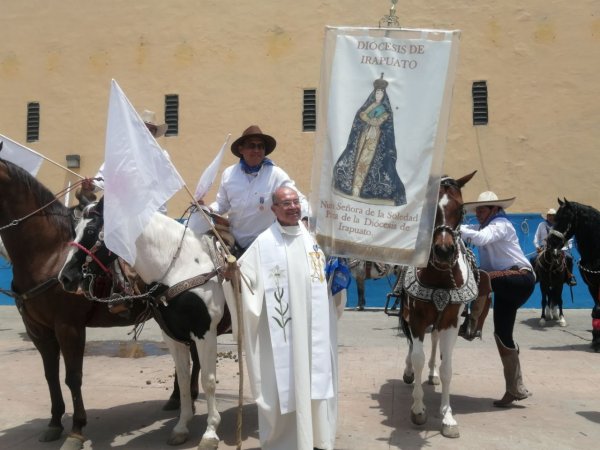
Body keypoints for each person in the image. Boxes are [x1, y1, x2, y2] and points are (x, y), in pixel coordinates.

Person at [236, 186, 344, 450]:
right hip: (285, 336)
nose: (293, 207)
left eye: (296, 202)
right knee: (285, 383)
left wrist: (337, 275)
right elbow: (245, 279)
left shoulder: (314, 240)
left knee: (318, 379)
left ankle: (319, 438)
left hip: (314, 332)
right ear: (274, 209)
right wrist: (233, 272)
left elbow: (323, 281)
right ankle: (284, 442)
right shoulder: (263, 244)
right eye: (286, 203)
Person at [460, 191, 535, 407]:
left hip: (520, 278)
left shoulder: (502, 223)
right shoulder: (482, 227)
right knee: (502, 335)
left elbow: (480, 237)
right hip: (503, 287)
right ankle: (514, 388)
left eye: (482, 210)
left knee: (482, 277)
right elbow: (473, 232)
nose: (478, 214)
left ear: (495, 209)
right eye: (477, 211)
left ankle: (472, 324)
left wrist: (456, 229)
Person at [196, 125, 307, 254]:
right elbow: (222, 204)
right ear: (241, 149)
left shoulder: (275, 174)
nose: (256, 150)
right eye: (252, 145)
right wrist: (208, 209)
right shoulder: (229, 174)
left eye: (261, 146)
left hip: (264, 244)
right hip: (234, 243)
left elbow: (299, 199)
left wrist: (305, 220)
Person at [332, 72, 406, 206]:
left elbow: (377, 121)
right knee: (358, 160)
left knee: (366, 162)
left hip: (375, 140)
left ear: (383, 95)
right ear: (374, 94)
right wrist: (368, 118)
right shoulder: (369, 106)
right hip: (363, 137)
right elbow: (361, 116)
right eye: (377, 93)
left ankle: (362, 189)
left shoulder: (385, 109)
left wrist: (368, 118)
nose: (378, 95)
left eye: (380, 94)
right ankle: (354, 188)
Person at [79, 110, 170, 214]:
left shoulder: (162, 156)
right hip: (123, 215)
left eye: (151, 131)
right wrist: (92, 185)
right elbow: (104, 177)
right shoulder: (120, 154)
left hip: (152, 214)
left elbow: (163, 189)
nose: (146, 133)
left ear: (154, 134)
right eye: (143, 128)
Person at [532, 208, 576, 286]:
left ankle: (569, 278)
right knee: (532, 259)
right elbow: (536, 237)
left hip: (558, 248)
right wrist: (537, 246)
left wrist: (563, 248)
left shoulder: (559, 226)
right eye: (549, 215)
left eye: (553, 215)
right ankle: (534, 277)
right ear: (547, 216)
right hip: (544, 248)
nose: (551, 217)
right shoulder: (542, 225)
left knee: (569, 259)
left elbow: (567, 239)